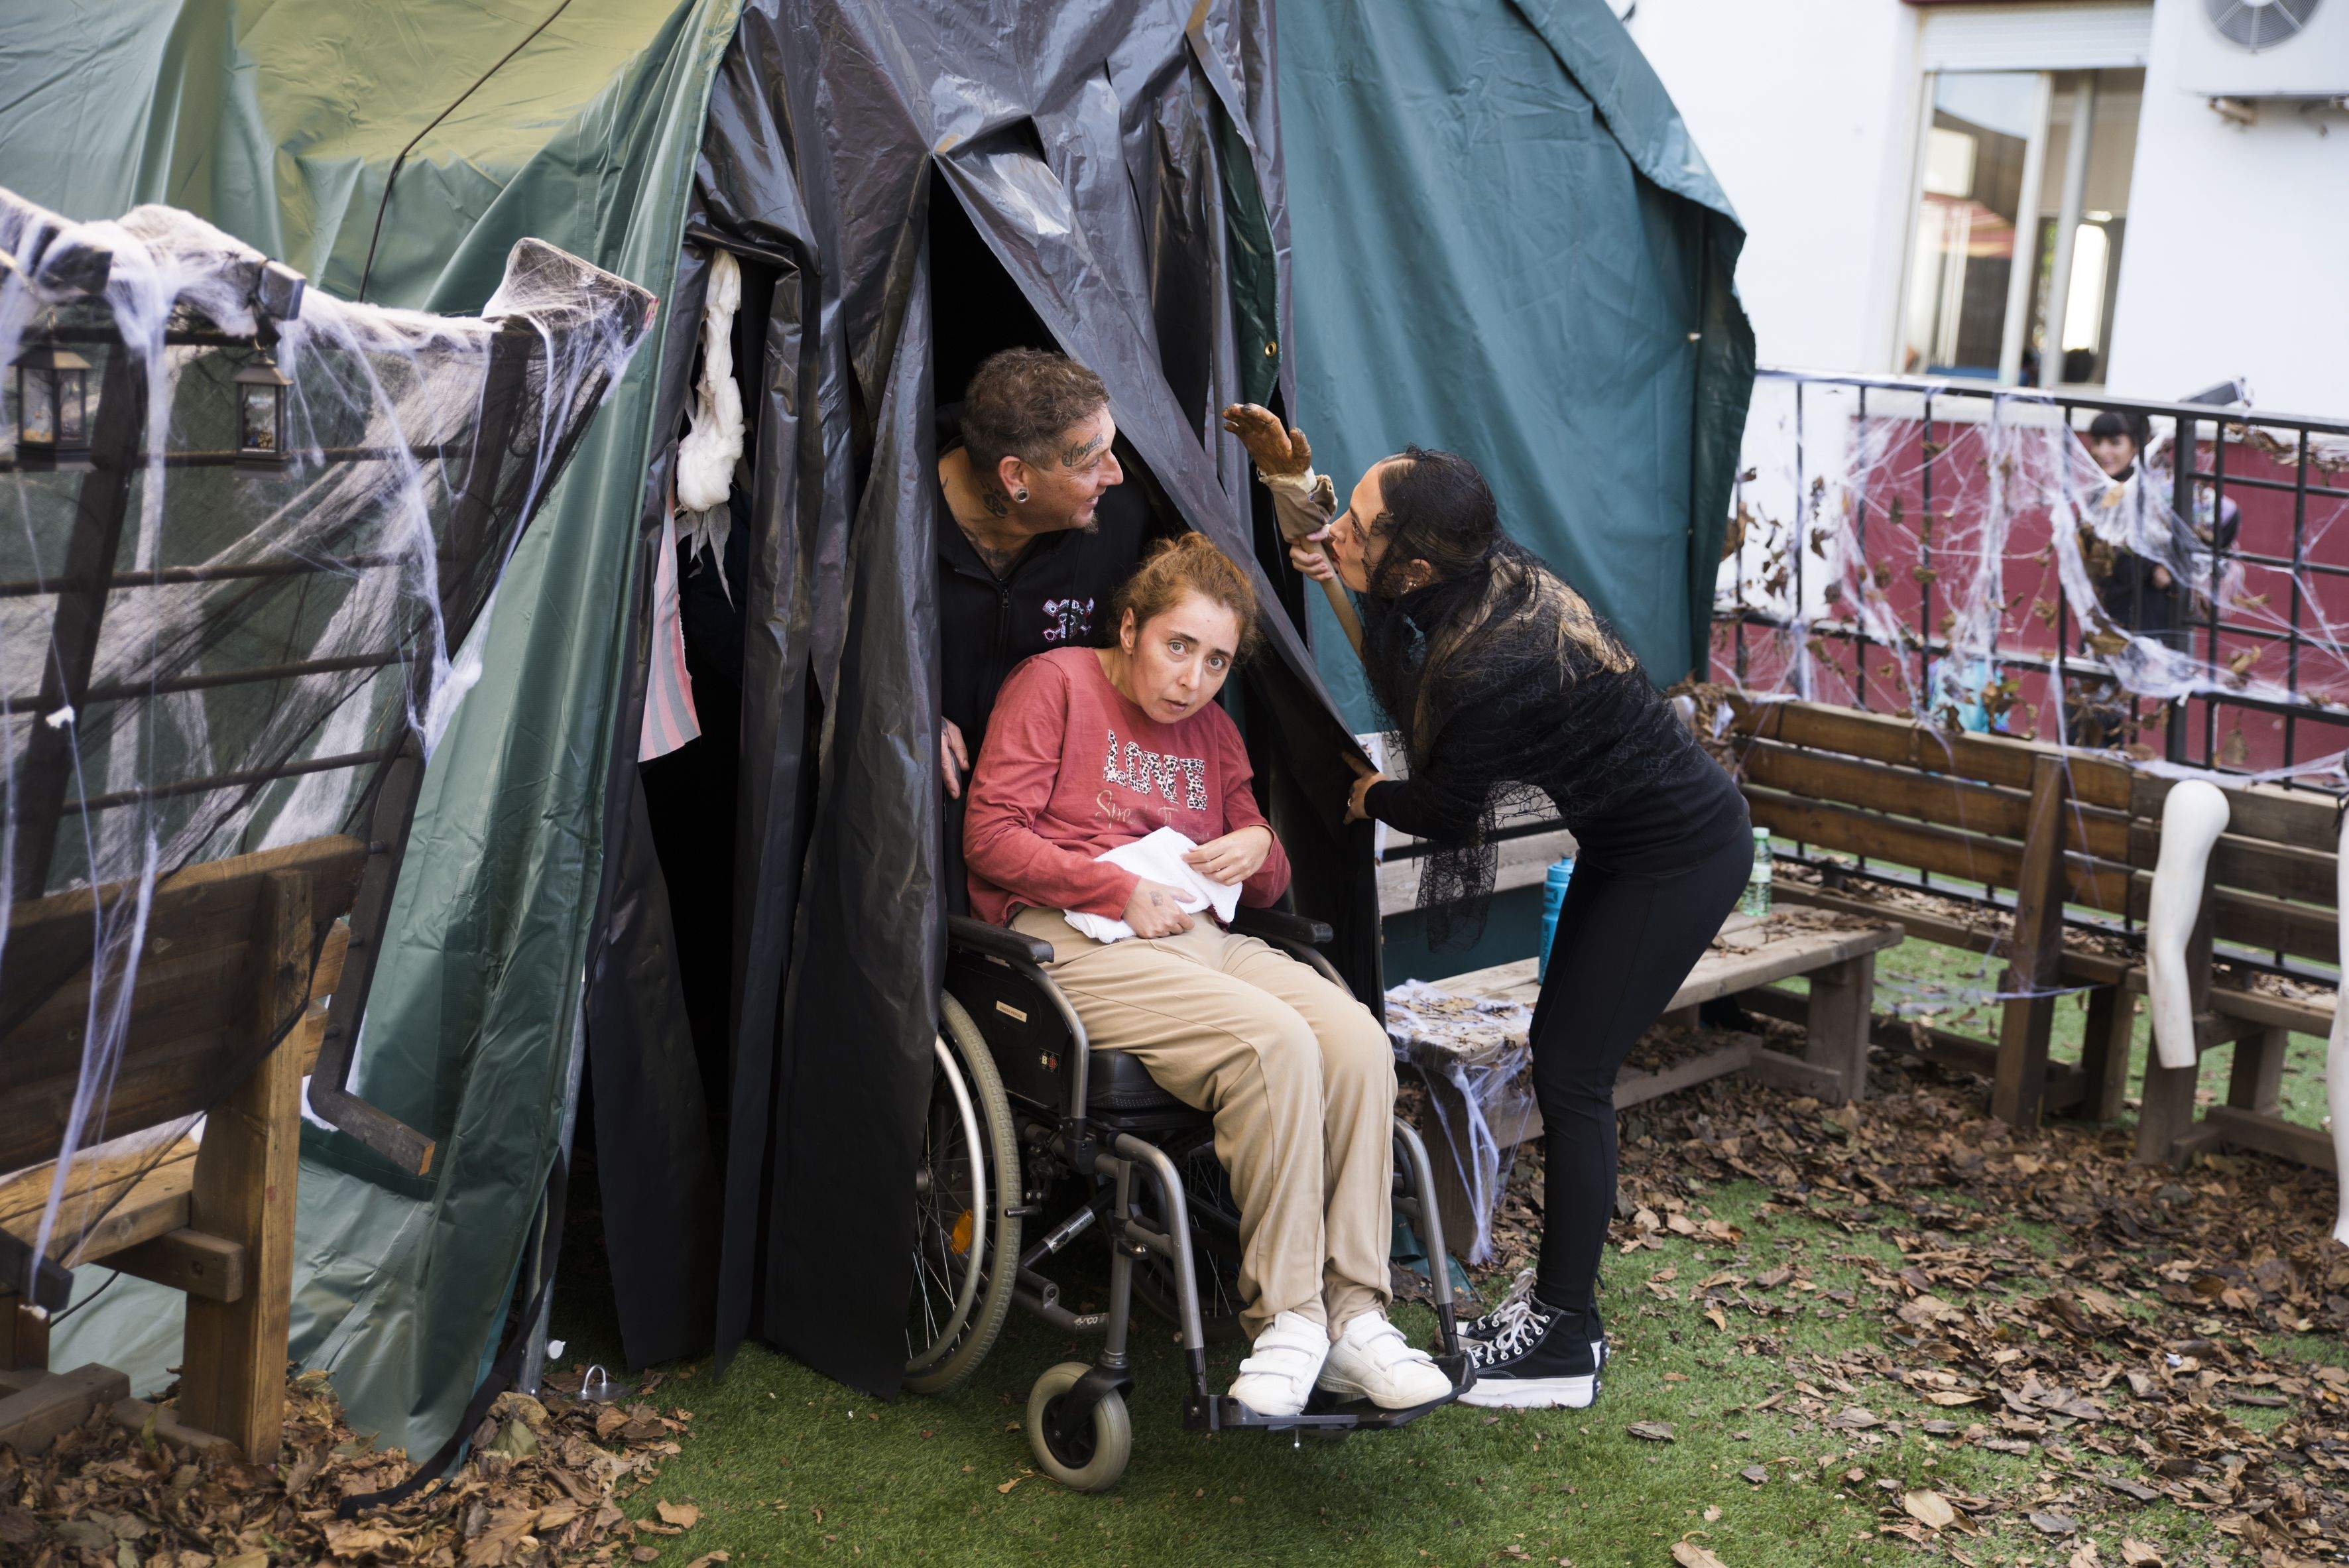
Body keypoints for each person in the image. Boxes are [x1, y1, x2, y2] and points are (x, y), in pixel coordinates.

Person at [1226, 405, 1750, 1410]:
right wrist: (1319, 533)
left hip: (1682, 858)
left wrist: (1370, 797)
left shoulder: (1491, 660)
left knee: (1575, 1075)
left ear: (1417, 565)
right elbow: (1400, 655)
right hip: (1630, 847)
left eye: (1358, 524)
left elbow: (1442, 808)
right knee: (1564, 1059)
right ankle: (1557, 1312)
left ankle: (1566, 1342)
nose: (1341, 529)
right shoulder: (1475, 578)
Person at [961, 534, 1452, 1418]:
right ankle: (1289, 1318)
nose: (1193, 679)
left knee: (1354, 1040)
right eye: (1177, 646)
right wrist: (1114, 886)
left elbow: (1263, 882)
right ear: (1130, 629)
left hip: (1199, 936)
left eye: (1216, 660)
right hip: (1078, 940)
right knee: (1274, 1041)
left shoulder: (1215, 732)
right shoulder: (1056, 684)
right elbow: (990, 838)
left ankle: (1354, 1319)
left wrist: (1259, 842)